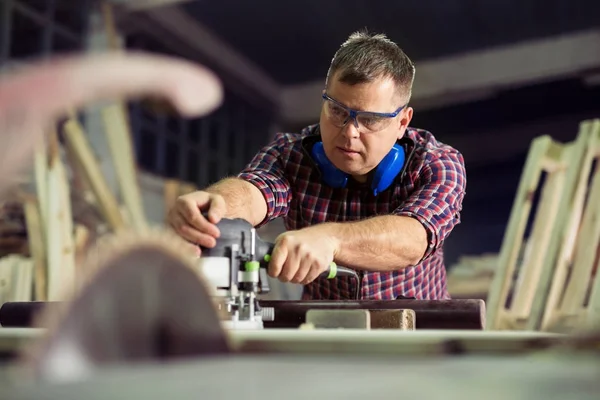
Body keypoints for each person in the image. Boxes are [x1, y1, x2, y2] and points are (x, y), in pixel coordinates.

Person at [168, 31, 467, 300]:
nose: (350, 132)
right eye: (338, 111)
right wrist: (216, 205)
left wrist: (330, 240)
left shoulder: (438, 163)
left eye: (371, 120)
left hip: (417, 332)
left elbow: (413, 238)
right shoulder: (290, 154)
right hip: (323, 327)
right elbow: (255, 189)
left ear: (402, 122)